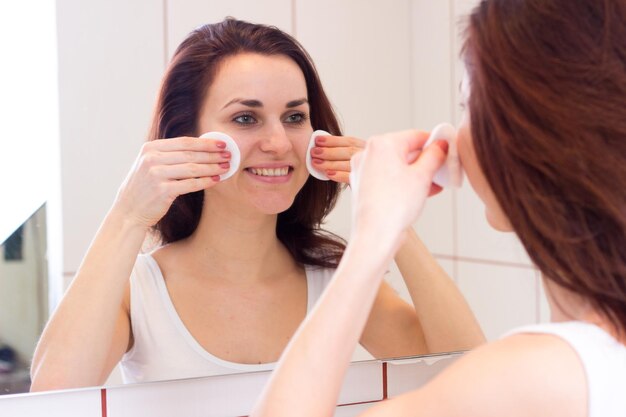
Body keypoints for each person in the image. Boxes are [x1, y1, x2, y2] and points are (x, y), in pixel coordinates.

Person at [30, 19, 484, 391]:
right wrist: (127, 214)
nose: (278, 142)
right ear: (186, 137)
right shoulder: (142, 291)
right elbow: (51, 397)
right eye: (245, 118)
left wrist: (392, 214)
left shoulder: (335, 278)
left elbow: (467, 376)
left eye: (295, 117)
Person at [251, 0, 626, 416]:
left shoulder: (541, 377)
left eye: (468, 106)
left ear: (524, 129)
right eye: (247, 119)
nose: (277, 144)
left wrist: (376, 234)